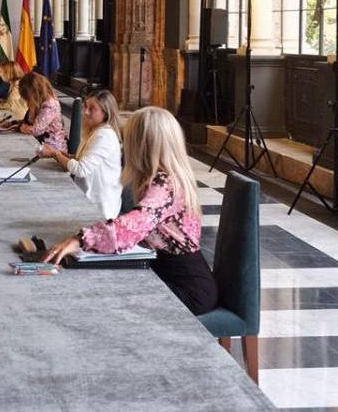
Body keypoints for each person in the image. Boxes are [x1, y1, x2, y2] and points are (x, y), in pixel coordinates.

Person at [43, 107, 219, 315]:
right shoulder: (164, 177)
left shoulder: (165, 184)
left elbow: (134, 225)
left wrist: (81, 239)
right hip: (168, 273)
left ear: (142, 145)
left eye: (128, 139)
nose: (124, 145)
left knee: (106, 302)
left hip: (187, 288)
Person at [38, 89, 124, 219]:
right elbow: (81, 160)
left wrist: (56, 153)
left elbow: (81, 169)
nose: (85, 112)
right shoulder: (95, 131)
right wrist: (58, 154)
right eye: (85, 106)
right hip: (87, 198)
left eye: (92, 109)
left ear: (105, 113)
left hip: (99, 207)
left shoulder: (104, 135)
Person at [16, 72, 67, 152]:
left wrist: (23, 127)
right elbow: (29, 121)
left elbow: (36, 130)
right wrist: (13, 124)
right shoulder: (39, 102)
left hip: (53, 148)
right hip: (39, 143)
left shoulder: (50, 105)